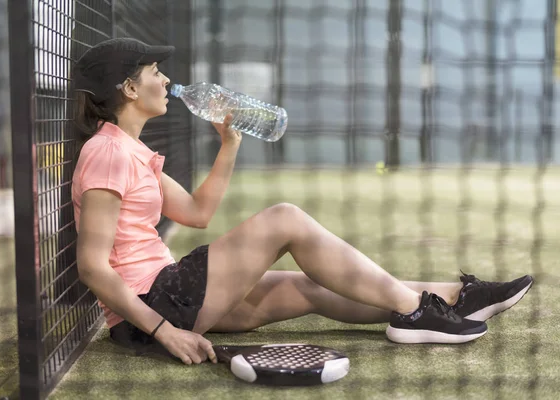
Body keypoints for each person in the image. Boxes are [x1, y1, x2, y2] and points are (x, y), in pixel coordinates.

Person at [71, 38, 533, 366]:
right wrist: (163, 331)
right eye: (155, 72)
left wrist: (228, 145)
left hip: (166, 295)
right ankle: (417, 314)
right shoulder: (109, 153)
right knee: (285, 219)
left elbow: (197, 213)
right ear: (129, 89)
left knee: (310, 287)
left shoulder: (130, 151)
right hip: (154, 307)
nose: (166, 78)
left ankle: (452, 299)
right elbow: (93, 267)